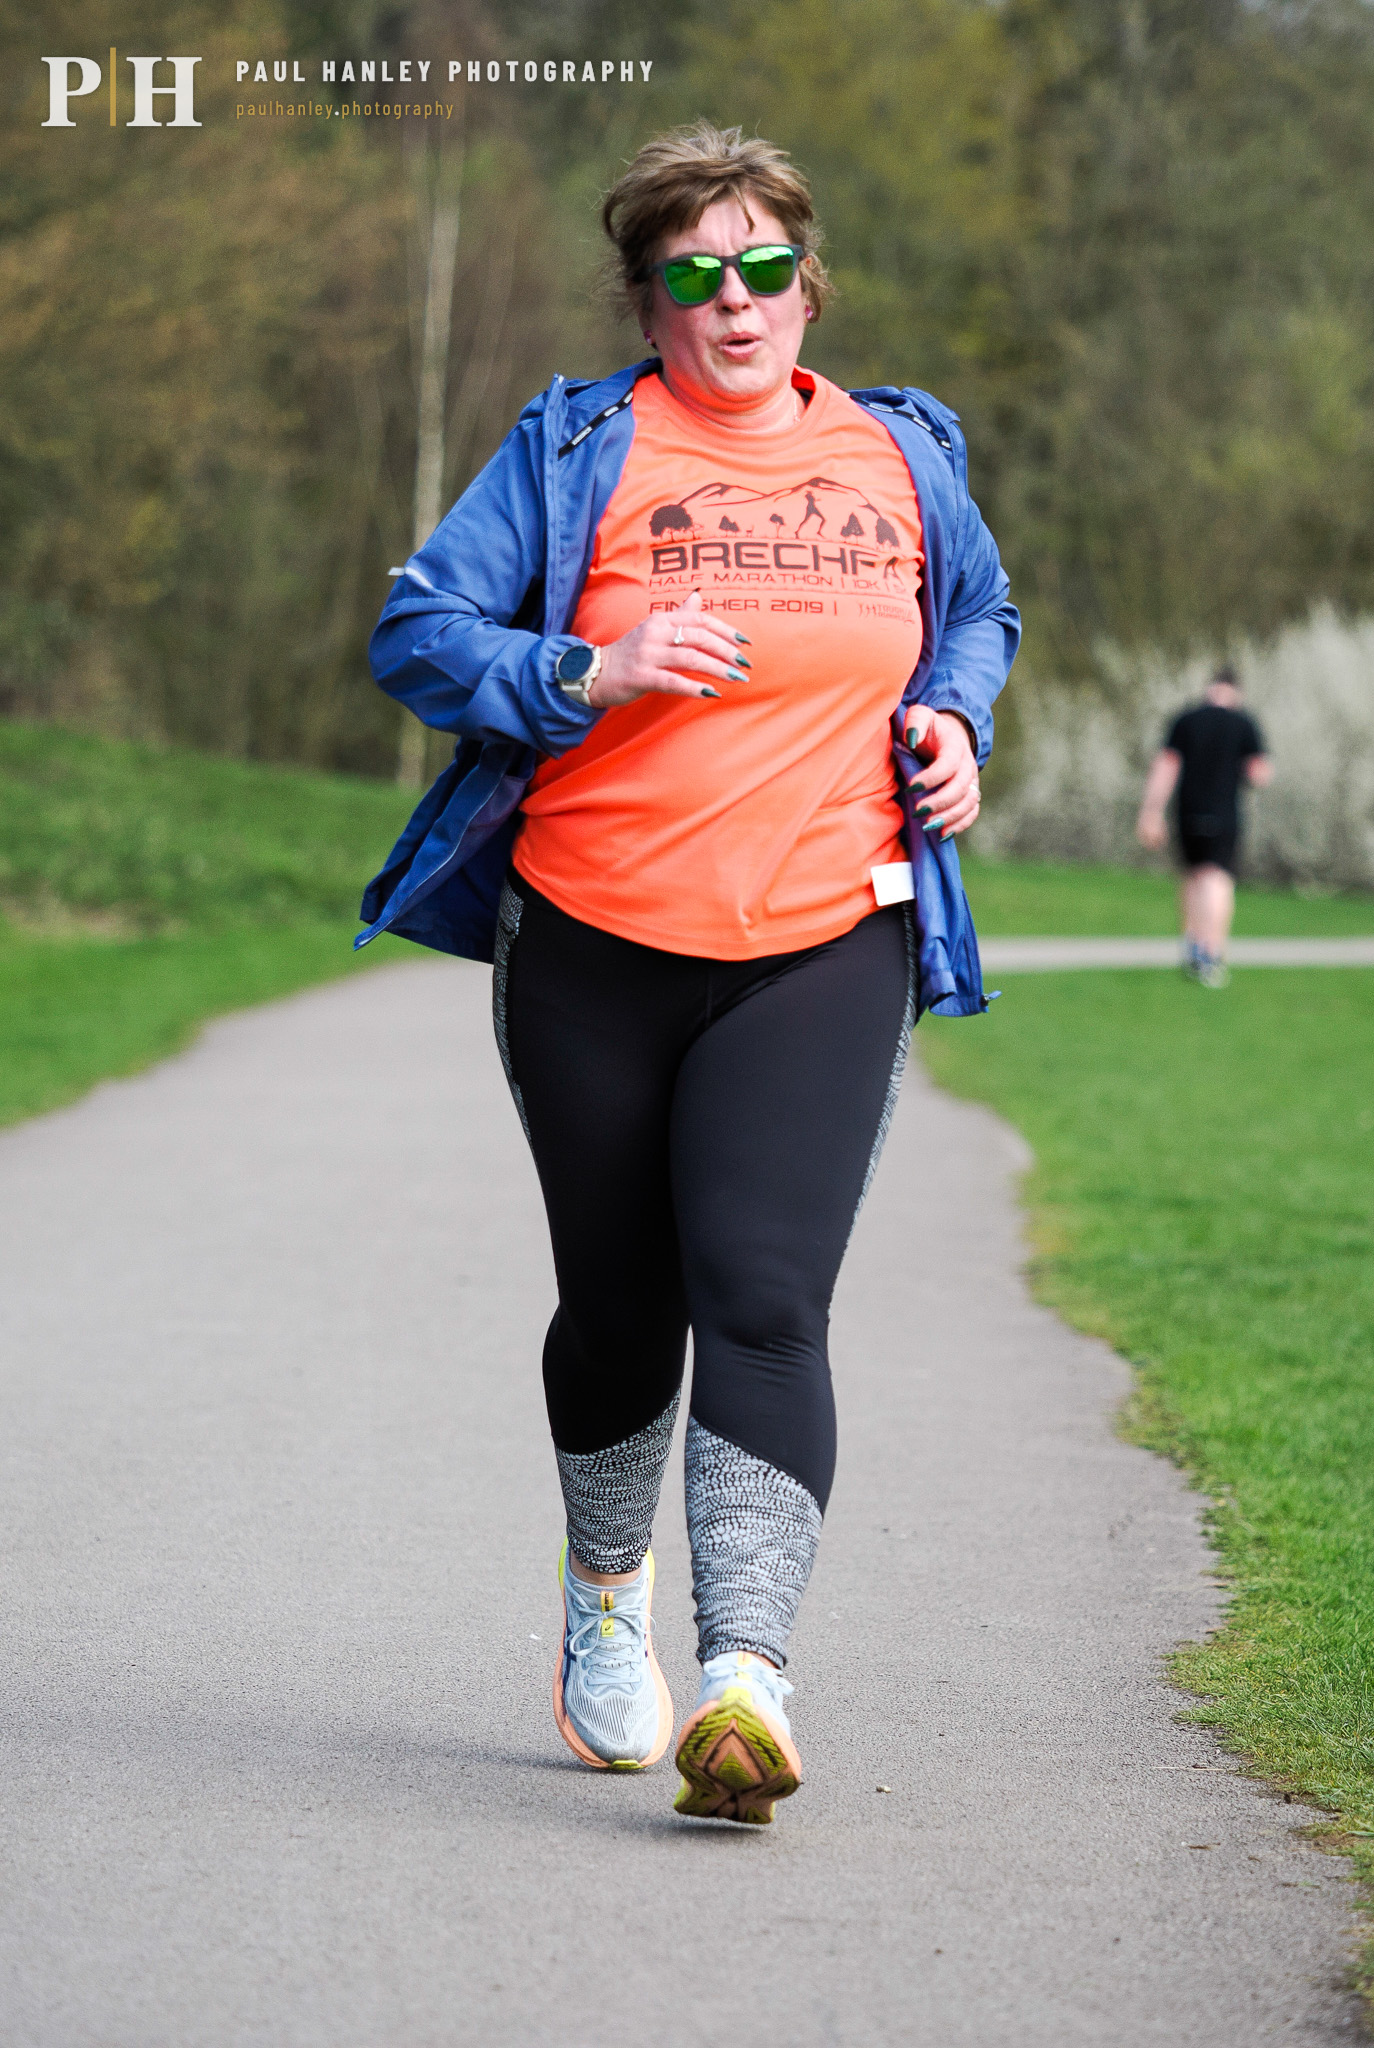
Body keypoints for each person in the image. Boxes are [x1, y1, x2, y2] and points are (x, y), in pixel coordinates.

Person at [356, 123, 1018, 1825]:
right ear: (648, 292)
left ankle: (747, 1678)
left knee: (767, 1293)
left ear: (810, 278)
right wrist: (596, 661)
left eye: (765, 268)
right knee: (623, 1301)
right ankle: (601, 1596)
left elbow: (979, 613)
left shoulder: (902, 450)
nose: (736, 303)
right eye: (695, 274)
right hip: (593, 933)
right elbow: (419, 631)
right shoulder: (579, 448)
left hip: (824, 932)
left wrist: (954, 718)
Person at [1136, 664, 1272, 987]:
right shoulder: (1244, 723)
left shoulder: (1186, 719)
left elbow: (1165, 767)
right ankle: (1212, 952)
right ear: (1235, 690)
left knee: (1193, 876)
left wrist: (1151, 812)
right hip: (1224, 815)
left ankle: (1193, 943)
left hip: (1187, 813)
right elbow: (1260, 774)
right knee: (1218, 879)